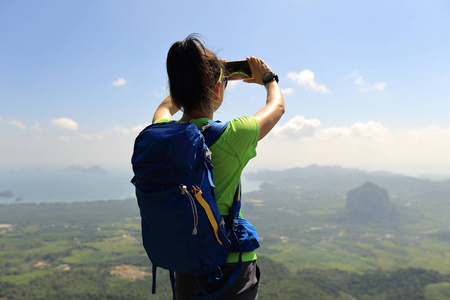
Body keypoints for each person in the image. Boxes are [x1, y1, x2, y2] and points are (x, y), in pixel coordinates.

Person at [152, 34, 284, 300]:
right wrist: (268, 77)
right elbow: (276, 106)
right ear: (218, 90)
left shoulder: (160, 133)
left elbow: (166, 106)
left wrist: (193, 79)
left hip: (187, 262)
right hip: (232, 266)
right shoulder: (233, 135)